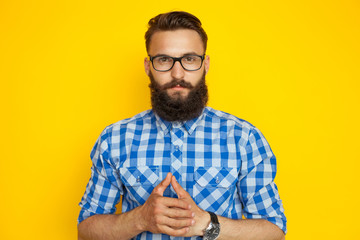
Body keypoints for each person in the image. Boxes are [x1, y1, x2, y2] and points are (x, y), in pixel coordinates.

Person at [78, 11, 287, 240]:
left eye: (189, 59)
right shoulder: (114, 139)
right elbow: (87, 231)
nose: (177, 74)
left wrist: (208, 225)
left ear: (205, 64)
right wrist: (140, 219)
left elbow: (273, 231)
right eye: (164, 60)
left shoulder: (244, 138)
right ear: (148, 66)